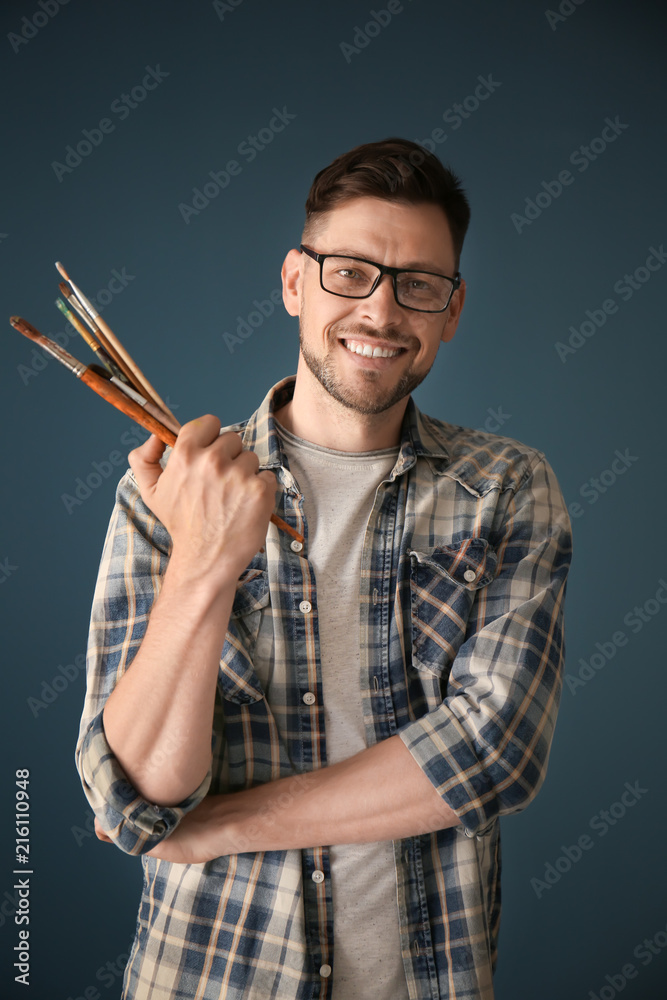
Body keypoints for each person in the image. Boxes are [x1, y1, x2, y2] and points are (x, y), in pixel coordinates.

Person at [76, 137, 572, 1000]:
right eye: (349, 272)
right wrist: (204, 560)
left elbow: (494, 753)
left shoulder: (505, 488)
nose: (382, 313)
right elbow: (137, 802)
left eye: (418, 284)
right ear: (294, 283)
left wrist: (221, 828)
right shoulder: (170, 492)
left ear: (451, 311)